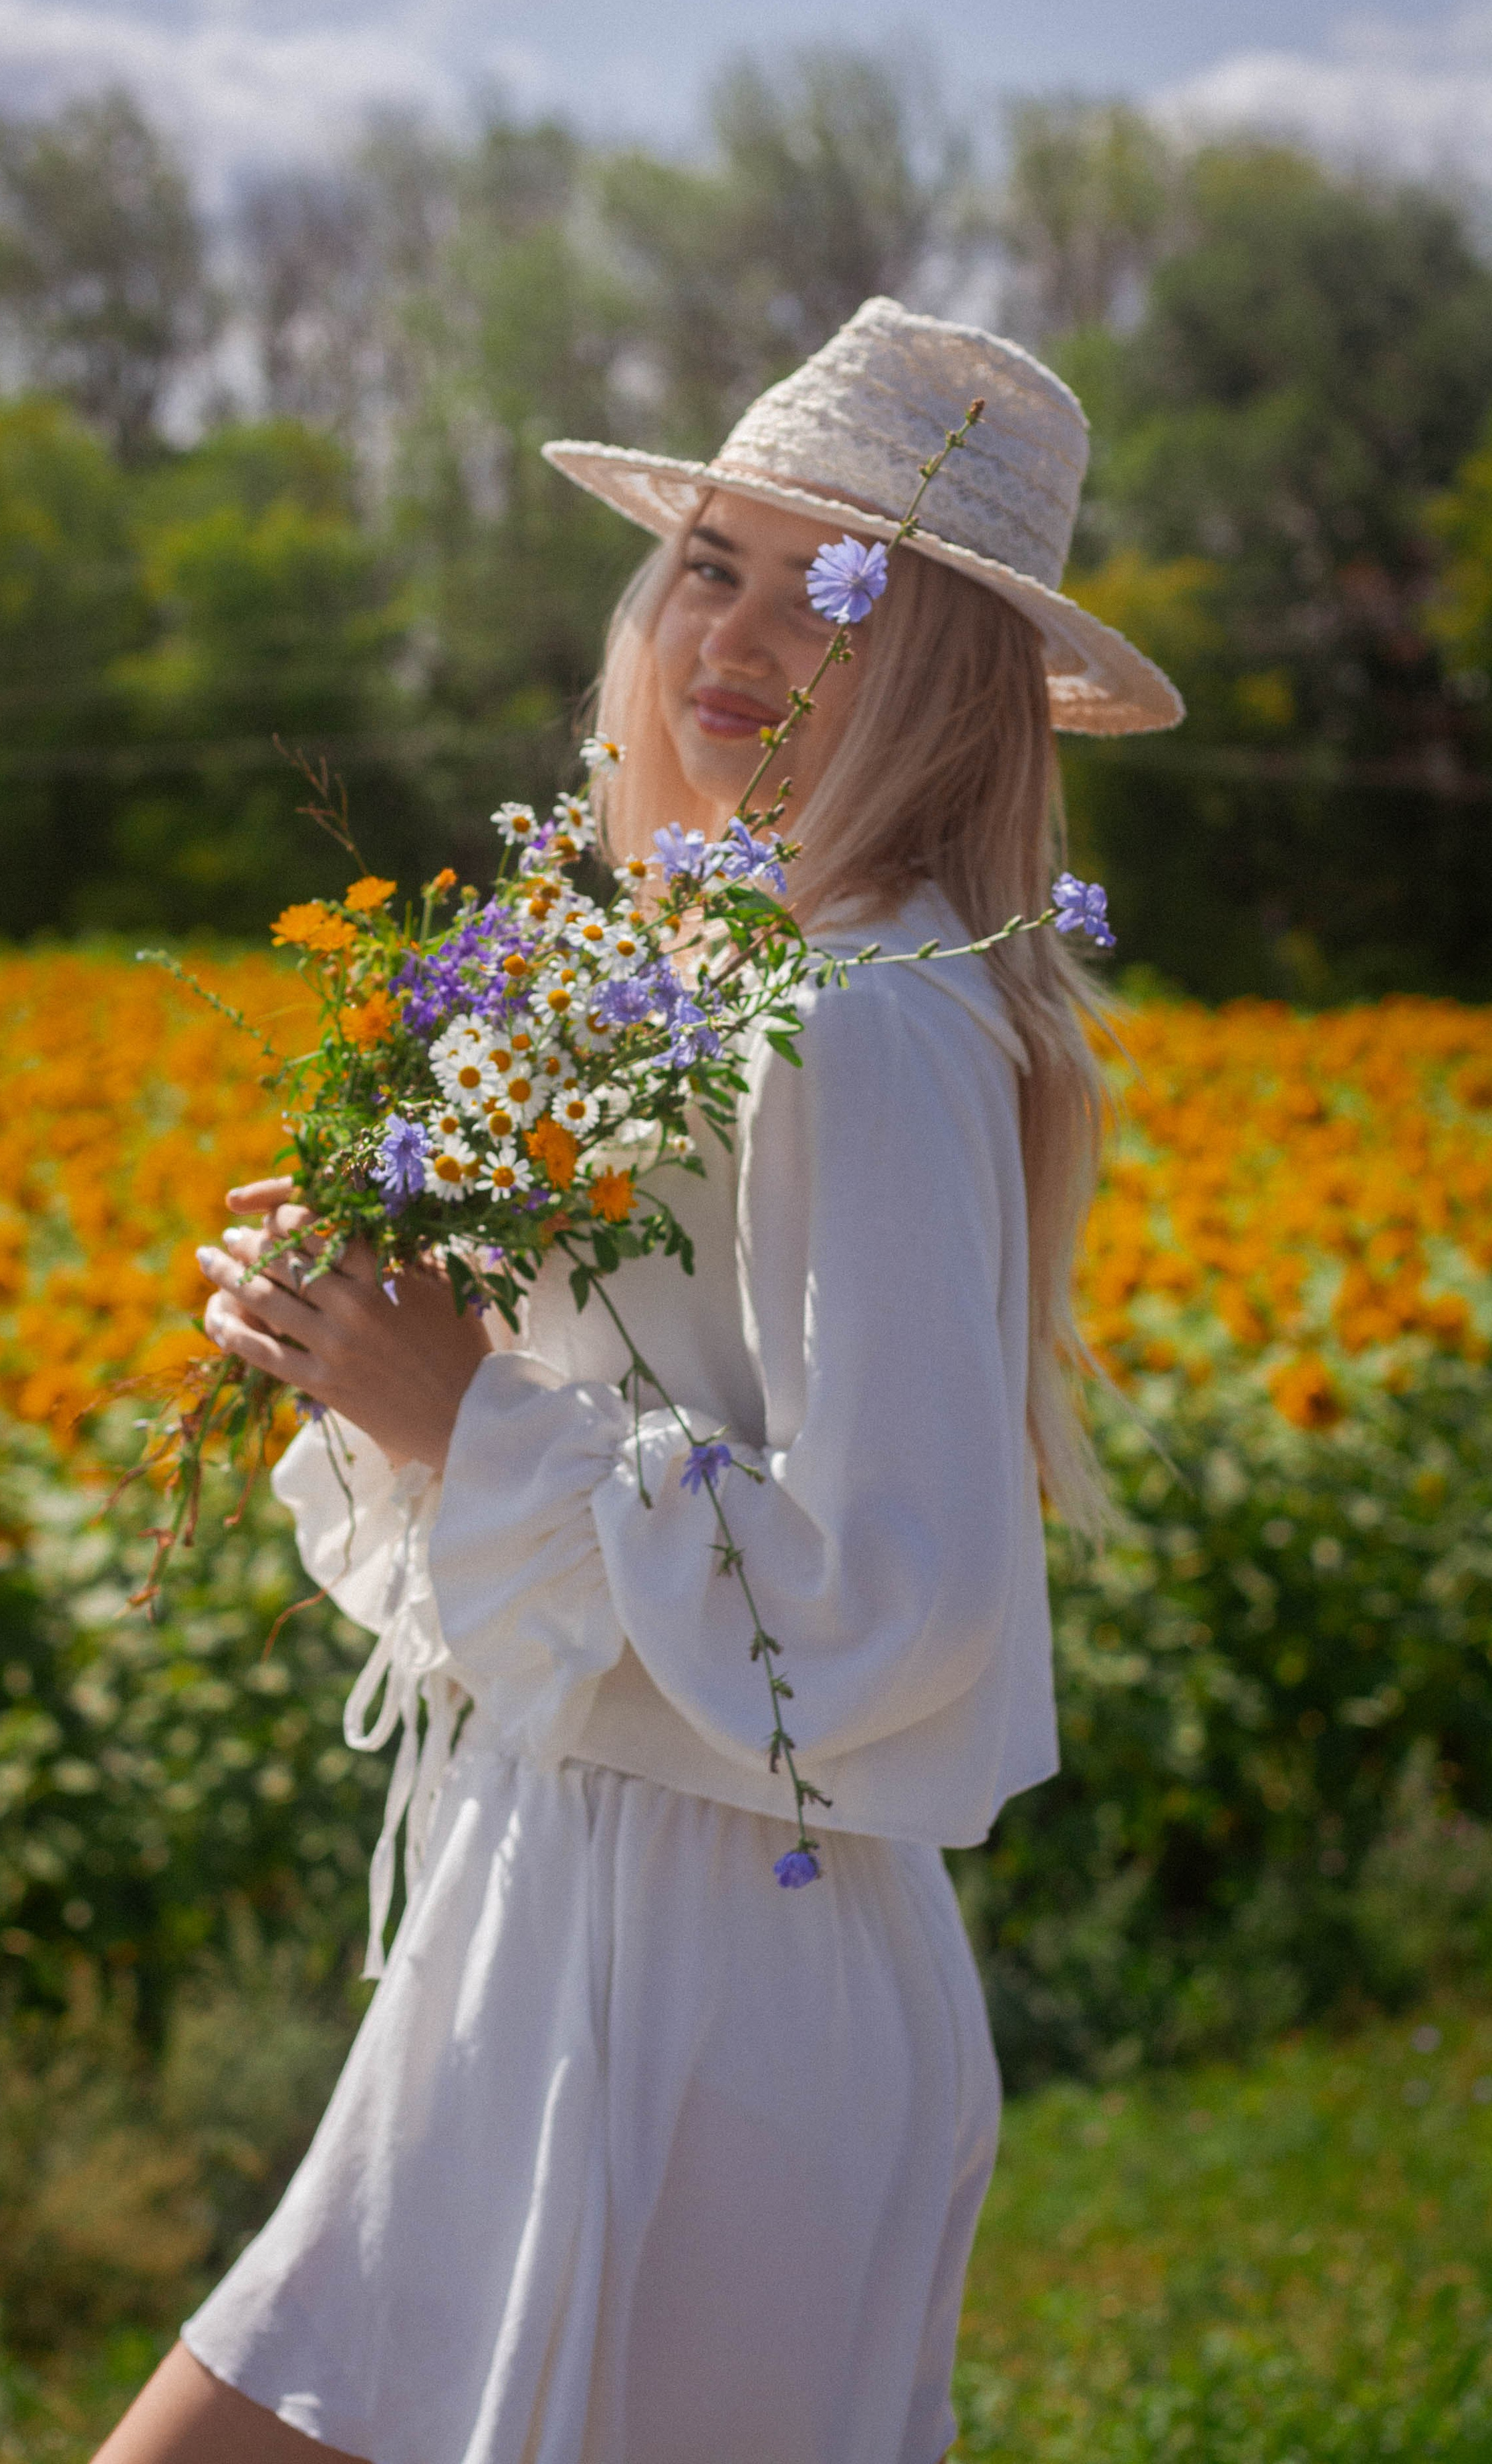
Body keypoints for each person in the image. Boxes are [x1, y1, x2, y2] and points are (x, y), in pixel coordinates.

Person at [93, 297, 1182, 2464]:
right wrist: (378, 1346)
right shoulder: (711, 979)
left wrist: (462, 1416)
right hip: (573, 1903)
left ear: (957, 667)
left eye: (834, 589)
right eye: (716, 561)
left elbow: (894, 1594)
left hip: (709, 1967)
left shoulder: (863, 1018)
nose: (747, 633)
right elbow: (607, 1470)